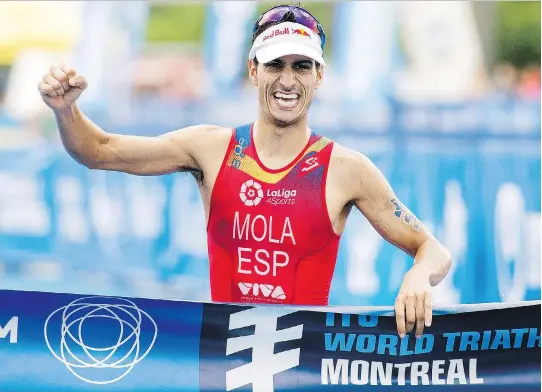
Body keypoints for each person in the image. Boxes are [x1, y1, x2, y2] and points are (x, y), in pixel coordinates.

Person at [37, 4, 451, 338]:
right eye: (275, 65)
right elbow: (97, 150)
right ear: (254, 70)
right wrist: (65, 109)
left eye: (301, 66)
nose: (287, 80)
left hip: (304, 370)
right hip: (223, 365)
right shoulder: (211, 148)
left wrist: (418, 274)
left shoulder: (347, 169)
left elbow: (434, 250)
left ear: (319, 76)